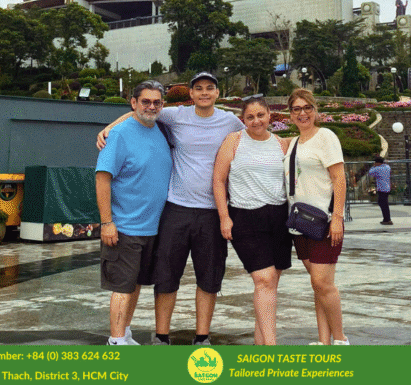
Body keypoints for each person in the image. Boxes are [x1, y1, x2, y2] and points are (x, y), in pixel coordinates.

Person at [97, 72, 243, 345]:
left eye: (209, 88)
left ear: (217, 93)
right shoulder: (175, 116)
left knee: (207, 279)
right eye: (198, 88)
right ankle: (156, 337)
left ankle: (201, 337)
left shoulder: (231, 122)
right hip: (174, 211)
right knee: (164, 278)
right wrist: (109, 128)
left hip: (209, 212)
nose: (204, 92)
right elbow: (138, 113)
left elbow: (256, 135)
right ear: (190, 93)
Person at [95, 81, 172, 345]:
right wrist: (107, 222)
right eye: (145, 101)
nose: (151, 106)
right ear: (133, 103)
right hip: (124, 227)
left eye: (156, 102)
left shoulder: (161, 130)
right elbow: (102, 179)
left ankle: (125, 335)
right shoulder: (119, 134)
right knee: (122, 287)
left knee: (135, 284)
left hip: (152, 228)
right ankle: (115, 342)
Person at [212, 95, 292, 345]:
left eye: (260, 115)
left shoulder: (281, 144)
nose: (256, 121)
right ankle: (272, 348)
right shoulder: (234, 140)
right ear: (243, 119)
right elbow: (218, 180)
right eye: (250, 117)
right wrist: (224, 217)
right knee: (264, 280)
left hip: (278, 217)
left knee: (269, 285)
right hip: (245, 216)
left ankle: (261, 347)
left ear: (269, 115)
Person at [284, 88, 348, 346]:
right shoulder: (294, 143)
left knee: (323, 282)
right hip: (300, 223)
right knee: (318, 285)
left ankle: (341, 340)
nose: (303, 113)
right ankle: (324, 342)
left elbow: (339, 178)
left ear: (315, 110)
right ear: (290, 115)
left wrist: (338, 217)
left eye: (307, 107)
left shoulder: (325, 137)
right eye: (297, 109)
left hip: (324, 222)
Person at [366, 155, 393, 225]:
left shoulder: (378, 169)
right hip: (387, 187)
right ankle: (387, 218)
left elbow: (370, 172)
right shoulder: (387, 167)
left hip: (382, 188)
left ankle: (387, 219)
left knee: (383, 204)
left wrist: (373, 166)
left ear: (378, 163)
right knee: (384, 203)